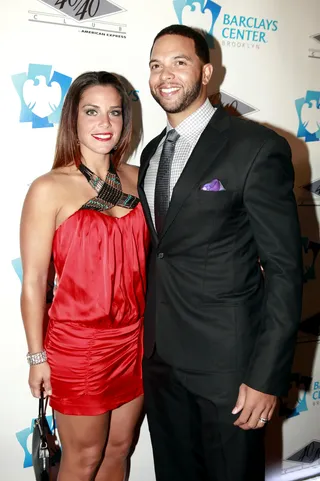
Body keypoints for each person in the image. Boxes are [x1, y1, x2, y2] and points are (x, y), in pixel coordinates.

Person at [138, 25, 303, 481]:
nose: (164, 75)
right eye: (155, 65)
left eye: (179, 62)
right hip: (160, 362)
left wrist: (267, 377)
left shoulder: (256, 147)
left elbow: (286, 270)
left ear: (206, 72)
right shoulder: (152, 152)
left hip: (228, 369)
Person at [20, 71, 149, 481]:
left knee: (119, 449)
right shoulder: (49, 188)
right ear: (72, 120)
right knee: (83, 458)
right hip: (80, 348)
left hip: (135, 340)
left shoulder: (138, 177)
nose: (104, 124)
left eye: (114, 112)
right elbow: (34, 283)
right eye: (92, 112)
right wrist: (37, 357)